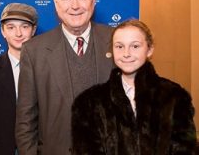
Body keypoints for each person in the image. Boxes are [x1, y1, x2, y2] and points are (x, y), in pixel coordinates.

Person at [15, 0, 114, 155]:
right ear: (55, 2)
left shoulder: (116, 41)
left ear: (93, 0)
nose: (75, 6)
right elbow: (25, 120)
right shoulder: (33, 51)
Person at [71, 19, 197, 154]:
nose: (126, 53)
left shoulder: (174, 96)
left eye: (135, 46)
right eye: (119, 46)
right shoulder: (88, 102)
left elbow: (186, 150)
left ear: (149, 49)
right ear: (112, 50)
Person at [0, 3, 38, 155]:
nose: (18, 33)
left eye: (24, 26)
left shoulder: (46, 67)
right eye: (11, 27)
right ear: (3, 31)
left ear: (34, 30)